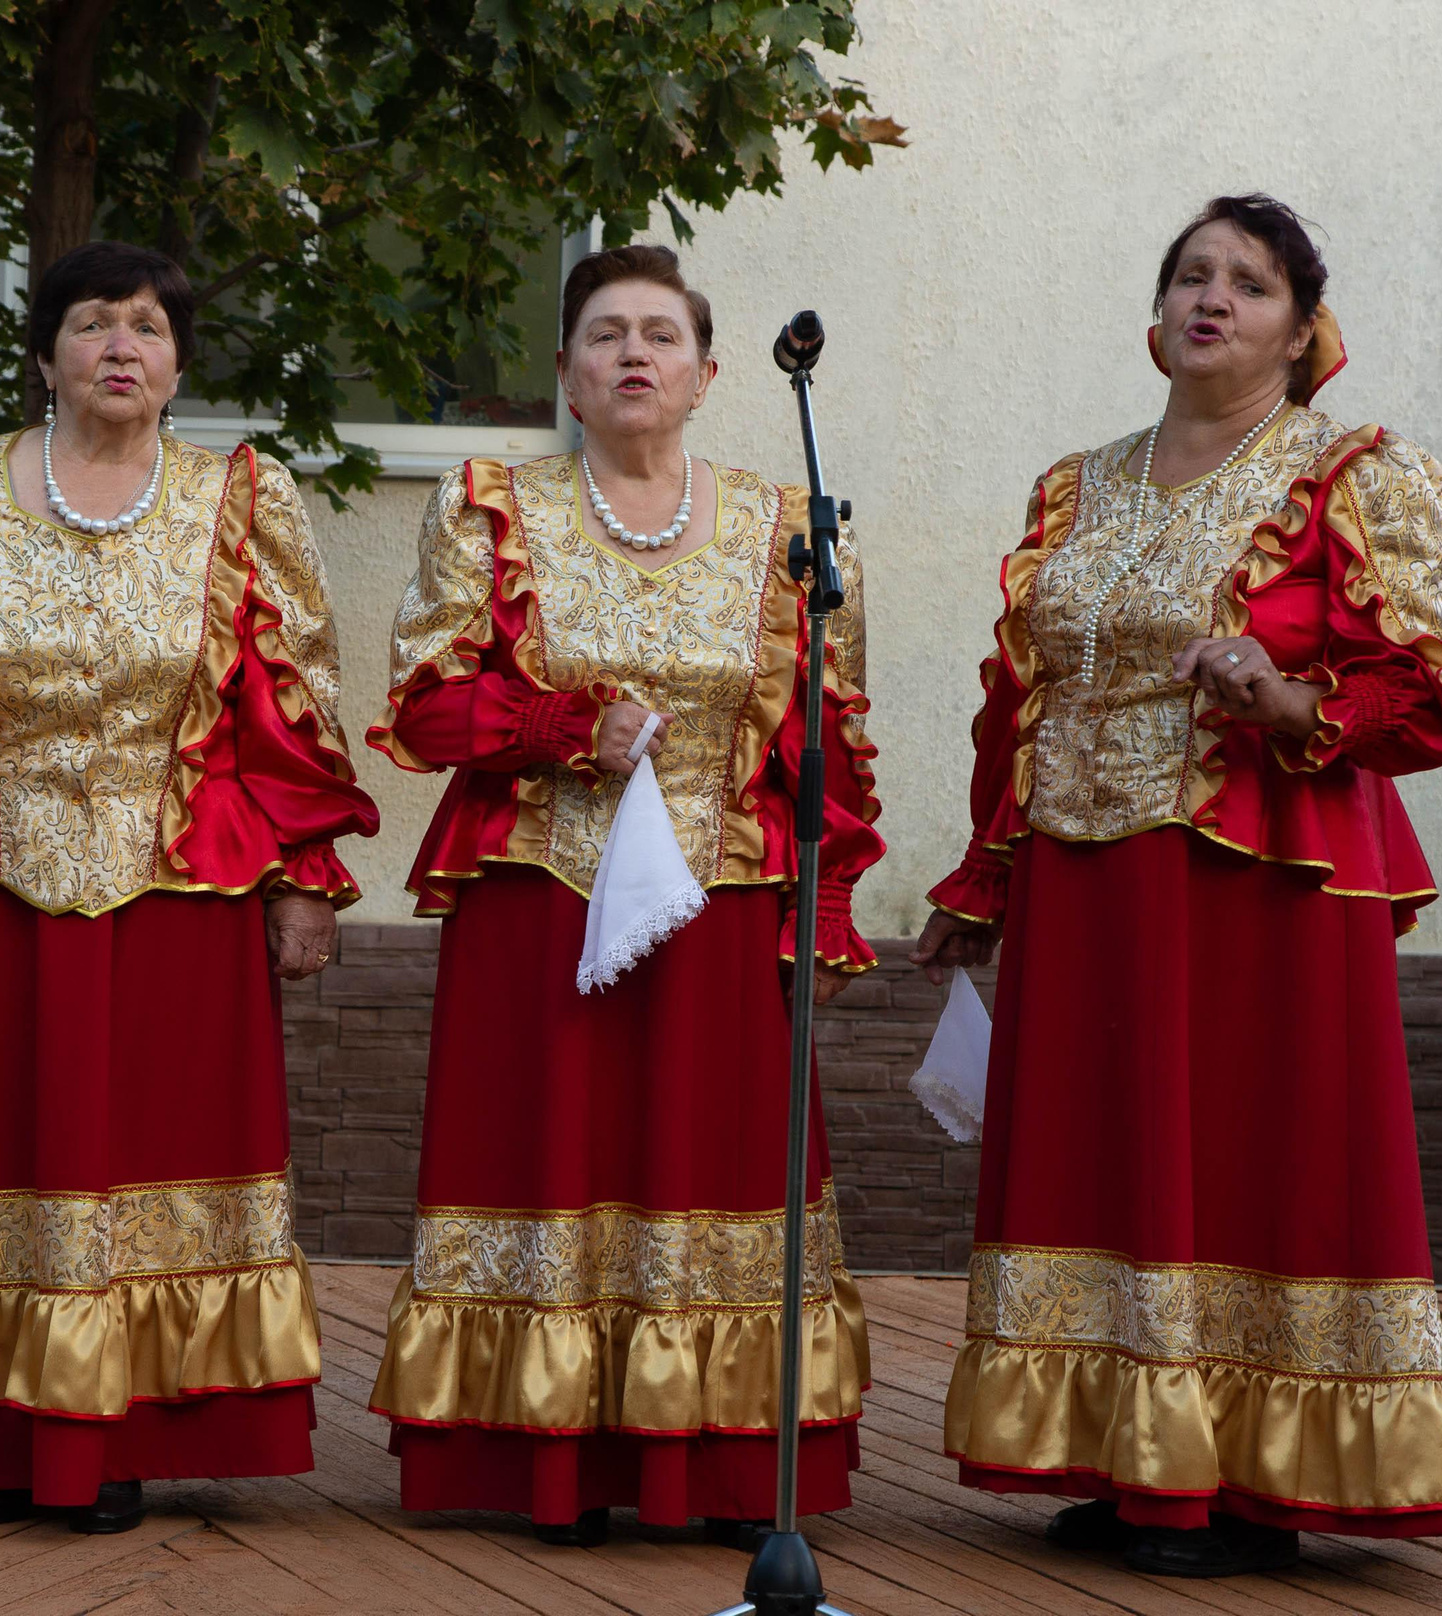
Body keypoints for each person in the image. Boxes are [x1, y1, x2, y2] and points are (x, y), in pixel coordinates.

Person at [912, 194, 1442, 1576]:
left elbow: (1434, 684)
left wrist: (1284, 693)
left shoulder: (1351, 473)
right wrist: (982, 870)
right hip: (1082, 880)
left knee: (1246, 1150)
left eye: (1246, 282)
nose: (1210, 298)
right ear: (1156, 313)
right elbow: (1024, 696)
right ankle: (1124, 1457)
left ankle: (1252, 1478)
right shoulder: (1080, 484)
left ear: (1302, 330)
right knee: (1102, 1148)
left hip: (1253, 876)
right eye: (1190, 276)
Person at [0, 241, 378, 1532]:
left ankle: (115, 1435)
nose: (121, 345)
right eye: (91, 323)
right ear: (47, 352)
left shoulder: (241, 499)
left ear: (177, 364)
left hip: (183, 889)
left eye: (148, 328)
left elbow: (287, 703)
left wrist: (305, 878)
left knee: (153, 1160)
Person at [364, 244, 881, 1546]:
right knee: (551, 1167)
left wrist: (828, 908)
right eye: (605, 336)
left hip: (723, 908)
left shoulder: (788, 530)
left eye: (661, 335)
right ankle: (548, 1461)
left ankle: (711, 1469)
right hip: (540, 907)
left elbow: (835, 741)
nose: (633, 354)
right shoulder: (492, 508)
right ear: (566, 378)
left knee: (716, 1179)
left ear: (709, 374)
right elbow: (424, 707)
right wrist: (558, 727)